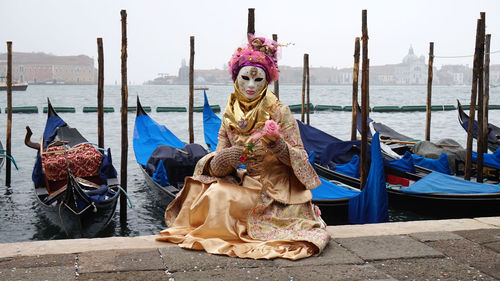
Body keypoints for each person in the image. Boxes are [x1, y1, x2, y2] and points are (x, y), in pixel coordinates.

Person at [157, 35, 330, 260]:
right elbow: (216, 166)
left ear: (266, 81)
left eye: (258, 80)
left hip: (277, 191)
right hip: (245, 184)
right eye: (245, 78)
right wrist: (226, 158)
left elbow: (302, 160)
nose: (250, 85)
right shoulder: (229, 114)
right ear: (236, 78)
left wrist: (278, 145)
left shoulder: (279, 111)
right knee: (215, 193)